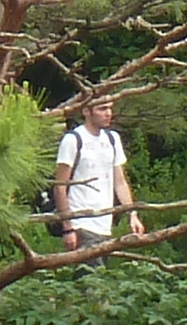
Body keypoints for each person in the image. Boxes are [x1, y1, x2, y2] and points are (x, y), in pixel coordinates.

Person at [50, 99, 142, 251]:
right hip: (81, 222)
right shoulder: (73, 139)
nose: (108, 113)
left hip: (105, 223)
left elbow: (120, 182)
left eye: (110, 109)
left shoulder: (112, 139)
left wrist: (132, 214)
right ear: (87, 111)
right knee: (90, 272)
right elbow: (60, 186)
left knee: (101, 273)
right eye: (102, 109)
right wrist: (68, 227)